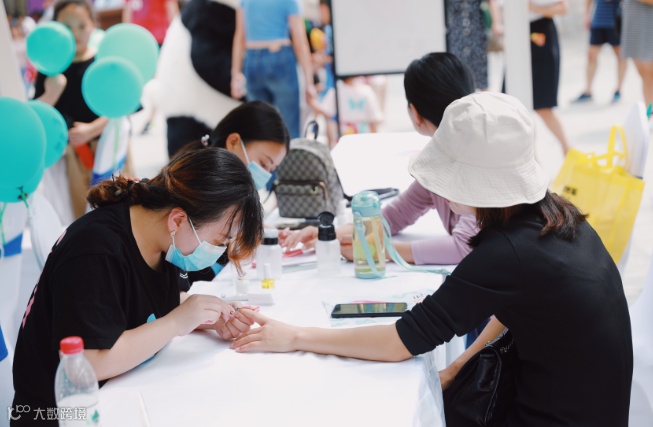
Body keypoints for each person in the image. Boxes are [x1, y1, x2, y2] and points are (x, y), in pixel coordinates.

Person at [231, 92, 634, 426]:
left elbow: (398, 342)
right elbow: (511, 310)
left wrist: (295, 336)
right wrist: (456, 368)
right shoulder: (557, 217)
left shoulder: (505, 253)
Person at [11, 148, 264, 425]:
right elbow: (89, 363)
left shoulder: (164, 238)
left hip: (120, 395)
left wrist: (209, 316)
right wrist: (177, 322)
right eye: (219, 241)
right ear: (178, 220)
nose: (218, 251)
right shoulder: (95, 250)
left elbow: (150, 302)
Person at [280, 53, 478, 267]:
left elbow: (464, 247)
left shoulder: (471, 159)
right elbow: (395, 216)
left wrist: (377, 250)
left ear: (415, 113)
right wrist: (328, 234)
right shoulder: (445, 156)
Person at [176, 101, 290, 283]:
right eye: (263, 163)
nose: (265, 174)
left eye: (271, 168)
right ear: (234, 142)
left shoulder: (230, 191)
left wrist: (248, 233)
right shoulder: (198, 185)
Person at [33, 0, 111, 223]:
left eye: (81, 25)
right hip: (68, 158)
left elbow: (122, 109)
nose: (75, 33)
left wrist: (92, 129)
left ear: (93, 25)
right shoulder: (49, 68)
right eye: (67, 26)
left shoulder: (103, 62)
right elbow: (36, 115)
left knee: (117, 210)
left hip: (107, 149)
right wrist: (52, 93)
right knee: (80, 218)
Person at [230, 0, 317, 139]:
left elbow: (239, 37)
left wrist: (235, 74)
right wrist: (309, 82)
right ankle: (290, 153)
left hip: (252, 60)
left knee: (259, 129)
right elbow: (300, 41)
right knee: (289, 128)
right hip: (280, 58)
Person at [527, 0, 571, 154]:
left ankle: (568, 151)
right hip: (518, 38)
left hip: (541, 35)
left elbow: (563, 8)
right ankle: (531, 157)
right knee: (514, 105)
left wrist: (532, 7)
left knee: (543, 105)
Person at [573, 0, 627, 103]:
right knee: (591, 55)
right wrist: (587, 14)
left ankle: (618, 90)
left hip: (616, 19)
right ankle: (588, 91)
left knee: (621, 55)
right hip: (598, 20)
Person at [621, 0, 653, 107]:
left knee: (649, 75)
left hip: (648, 25)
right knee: (645, 76)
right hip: (634, 22)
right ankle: (649, 112)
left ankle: (650, 112)